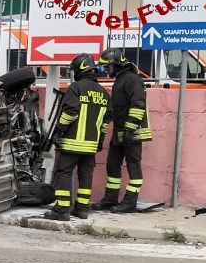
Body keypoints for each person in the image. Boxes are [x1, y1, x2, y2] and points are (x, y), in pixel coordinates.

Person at [43, 54, 113, 222]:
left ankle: (62, 209)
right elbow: (106, 122)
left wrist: (59, 131)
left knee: (64, 173)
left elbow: (70, 112)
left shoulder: (76, 88)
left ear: (80, 70)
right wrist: (100, 142)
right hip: (91, 146)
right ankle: (82, 209)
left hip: (72, 143)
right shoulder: (104, 94)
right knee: (85, 175)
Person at [93, 49, 153, 214]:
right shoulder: (120, 80)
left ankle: (130, 202)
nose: (106, 70)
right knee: (112, 164)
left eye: (108, 66)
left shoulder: (132, 80)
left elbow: (138, 105)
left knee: (133, 166)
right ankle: (110, 199)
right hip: (120, 131)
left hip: (132, 132)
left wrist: (130, 128)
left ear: (116, 64)